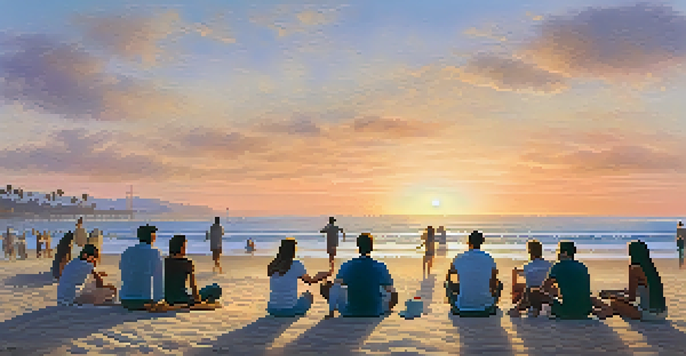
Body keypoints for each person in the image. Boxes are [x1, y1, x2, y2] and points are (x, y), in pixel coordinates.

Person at [321, 233, 398, 318]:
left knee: (331, 285)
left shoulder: (347, 265)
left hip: (350, 310)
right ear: (371, 247)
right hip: (374, 311)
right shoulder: (380, 266)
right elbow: (391, 290)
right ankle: (384, 308)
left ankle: (332, 311)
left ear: (358, 247)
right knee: (390, 291)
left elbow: (336, 287)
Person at [537, 241, 612, 319]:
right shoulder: (582, 266)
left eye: (559, 251)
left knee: (535, 292)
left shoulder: (558, 266)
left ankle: (535, 312)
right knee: (586, 297)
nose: (557, 254)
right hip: (584, 310)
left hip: (566, 311)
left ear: (565, 253)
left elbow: (544, 287)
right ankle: (598, 310)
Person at [599, 241, 667, 321]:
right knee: (620, 304)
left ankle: (607, 312)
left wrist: (611, 296)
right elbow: (636, 291)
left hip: (650, 314)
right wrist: (613, 292)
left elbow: (631, 298)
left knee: (615, 303)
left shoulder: (635, 269)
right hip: (663, 312)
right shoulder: (650, 268)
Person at [267, 238, 332, 317]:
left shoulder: (272, 265)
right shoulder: (296, 264)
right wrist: (320, 275)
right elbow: (309, 281)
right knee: (308, 295)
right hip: (289, 310)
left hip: (272, 309)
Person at [446, 230, 503, 317]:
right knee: (499, 283)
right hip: (485, 306)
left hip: (462, 306)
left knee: (447, 284)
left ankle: (462, 300)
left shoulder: (459, 258)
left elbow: (449, 277)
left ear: (468, 242)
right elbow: (493, 281)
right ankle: (488, 302)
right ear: (481, 243)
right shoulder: (488, 258)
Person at [164, 235, 222, 307]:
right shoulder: (187, 263)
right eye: (184, 247)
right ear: (181, 248)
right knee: (215, 288)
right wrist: (197, 300)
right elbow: (193, 285)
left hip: (168, 298)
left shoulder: (165, 262)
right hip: (183, 298)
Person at [120, 224, 164, 311]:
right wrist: (158, 299)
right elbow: (158, 278)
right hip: (143, 299)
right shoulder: (154, 252)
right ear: (153, 237)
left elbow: (124, 275)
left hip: (125, 299)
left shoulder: (127, 251)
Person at [508, 240, 553, 317]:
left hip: (530, 293)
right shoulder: (549, 265)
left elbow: (525, 278)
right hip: (547, 292)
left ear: (530, 252)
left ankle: (520, 305)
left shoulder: (527, 266)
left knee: (524, 287)